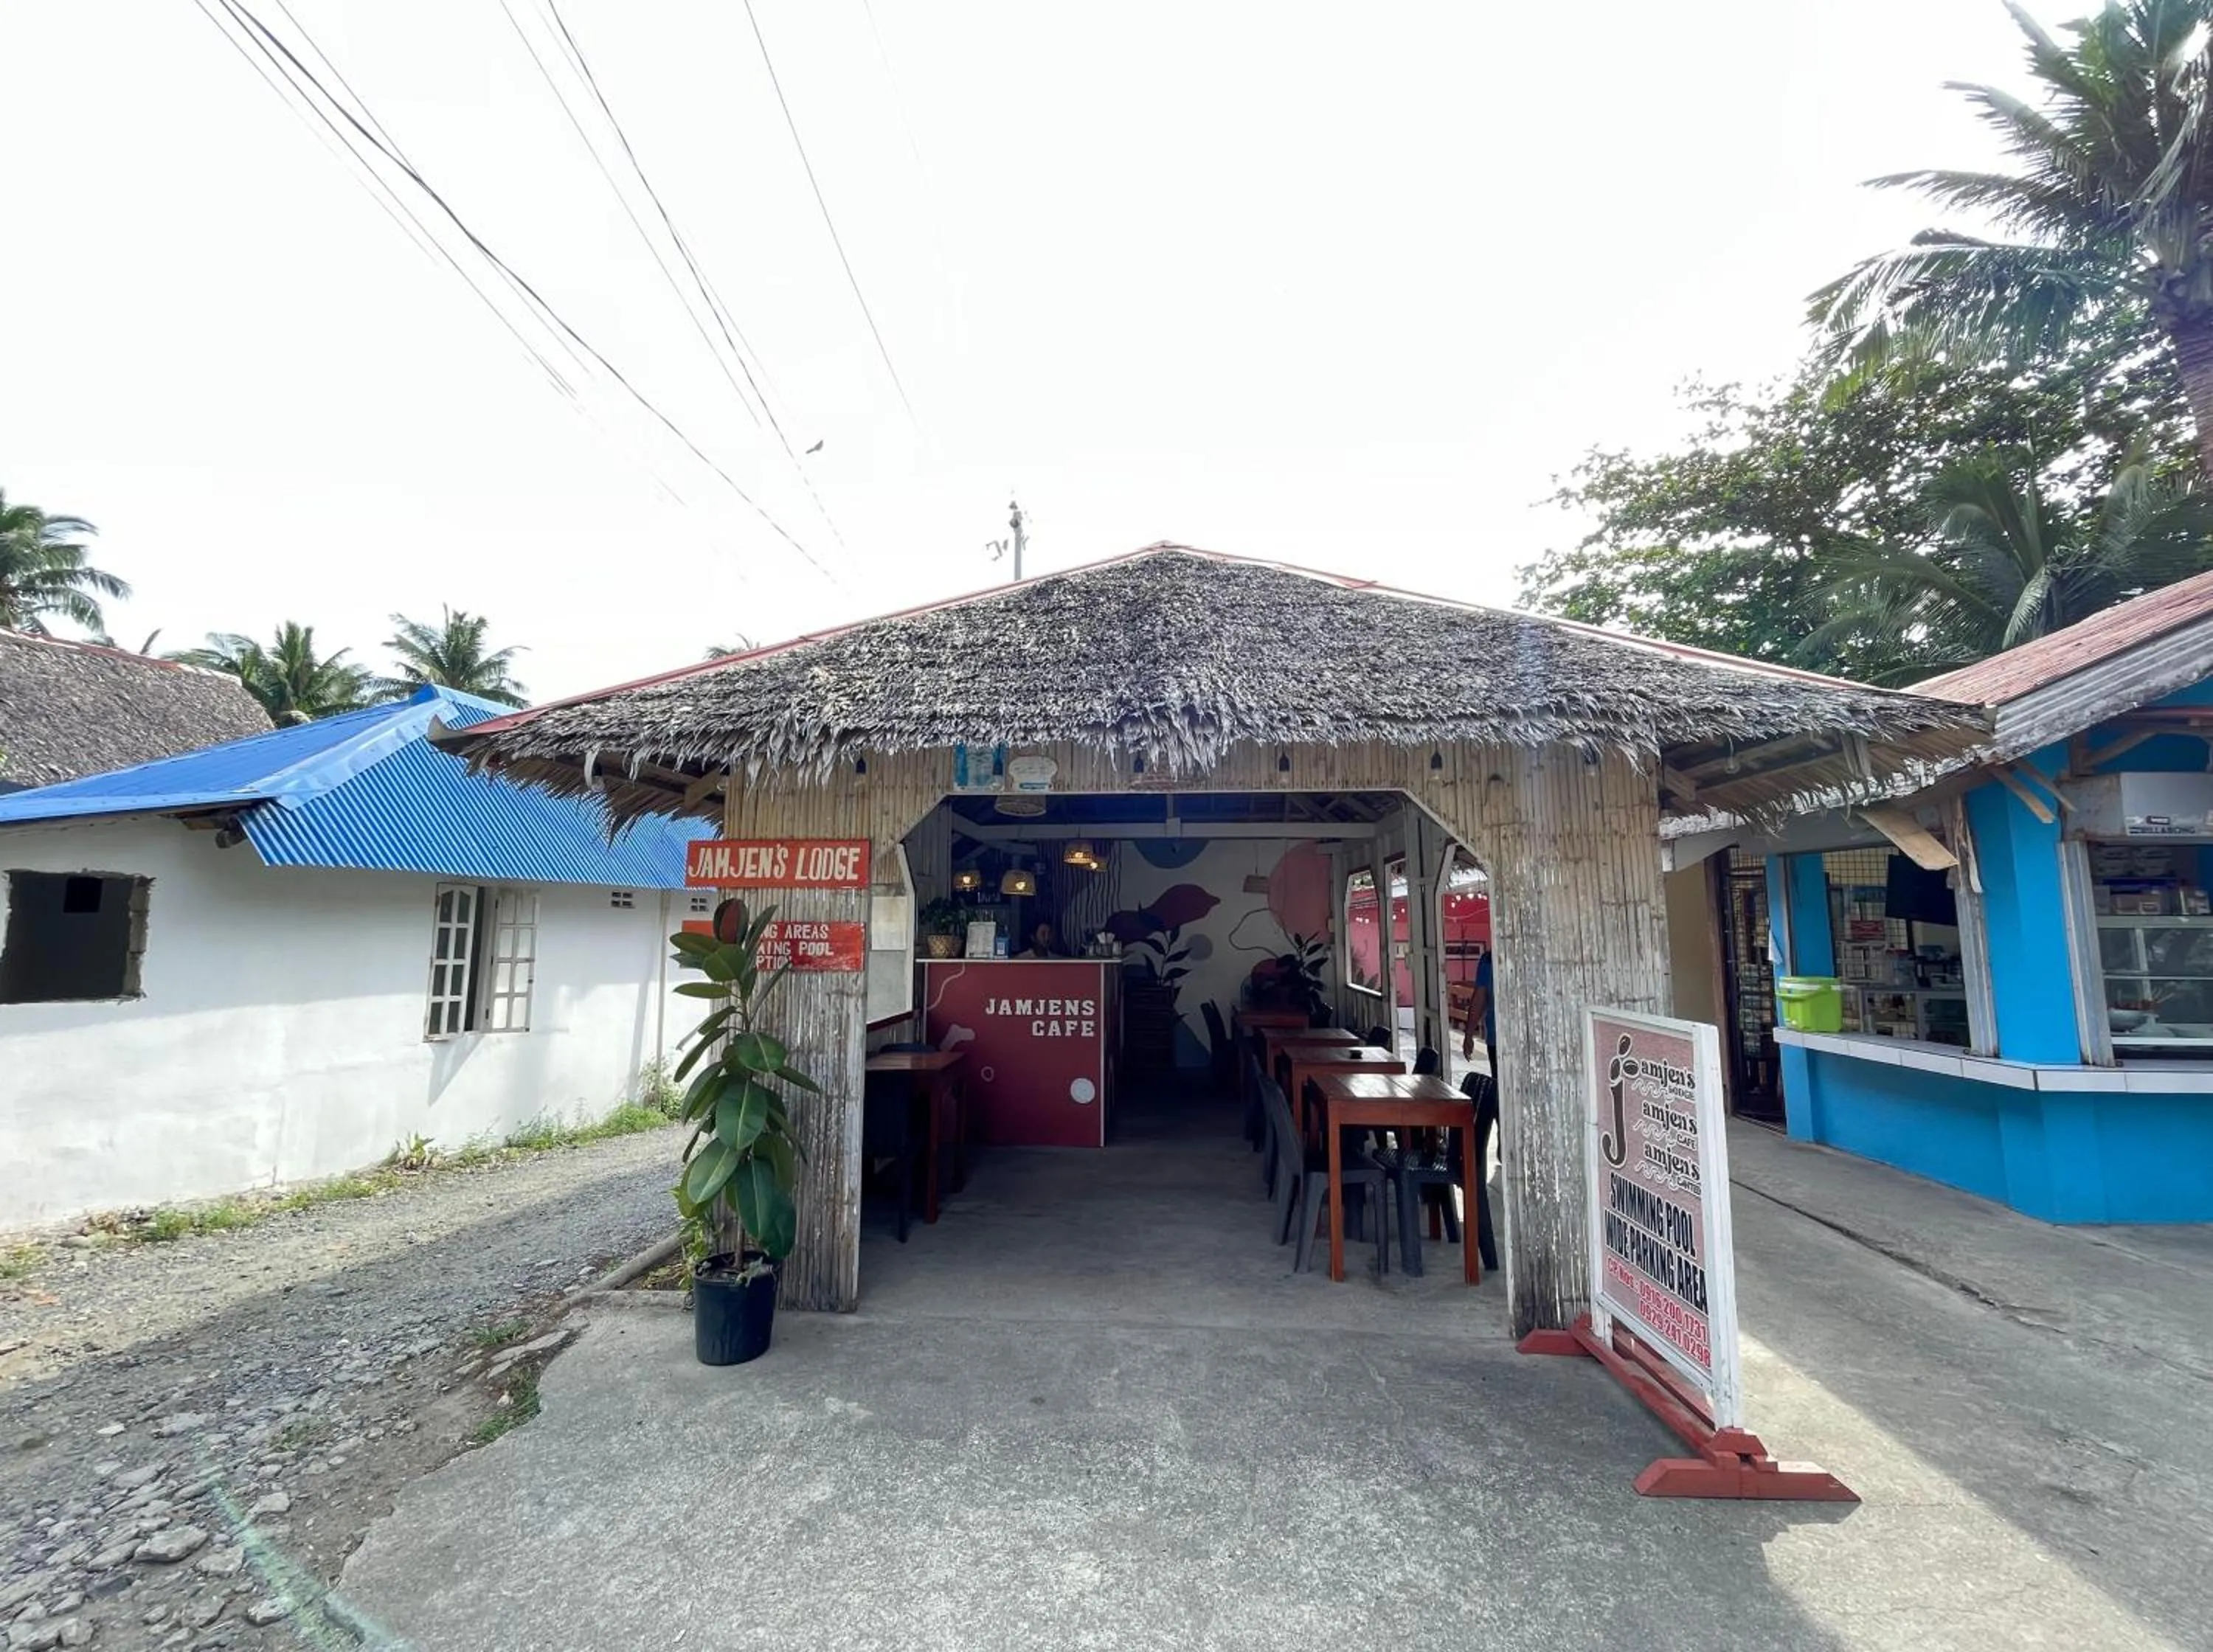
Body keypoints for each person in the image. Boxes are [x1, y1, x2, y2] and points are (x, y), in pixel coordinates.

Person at [1464, 945, 1495, 1070]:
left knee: (1500, 1084)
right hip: (1497, 1037)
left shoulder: (1489, 960)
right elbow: (1479, 1000)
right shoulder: (1488, 961)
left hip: (1497, 1038)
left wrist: (1469, 1034)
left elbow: (1479, 1000)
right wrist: (1469, 1034)